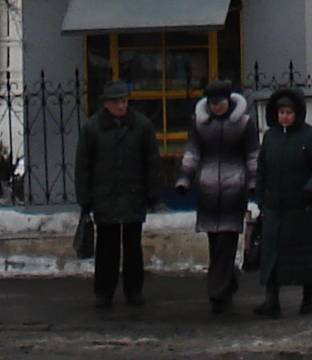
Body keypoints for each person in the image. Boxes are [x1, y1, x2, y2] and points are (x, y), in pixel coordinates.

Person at [174, 78, 260, 314]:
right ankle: (227, 283)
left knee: (227, 241)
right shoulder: (201, 125)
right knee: (215, 243)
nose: (217, 107)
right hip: (208, 189)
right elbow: (192, 154)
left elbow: (253, 155)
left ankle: (217, 293)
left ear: (229, 101)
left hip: (234, 188)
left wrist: (253, 183)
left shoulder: (243, 124)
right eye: (212, 103)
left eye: (220, 102)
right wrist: (184, 179)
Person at [74, 77, 160, 310]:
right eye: (115, 102)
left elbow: (152, 161)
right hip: (105, 196)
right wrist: (85, 199)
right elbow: (83, 166)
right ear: (106, 104)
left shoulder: (141, 126)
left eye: (123, 101)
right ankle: (104, 291)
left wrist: (152, 193)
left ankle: (134, 291)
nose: (121, 106)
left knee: (133, 248)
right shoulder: (92, 129)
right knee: (106, 248)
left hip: (133, 194)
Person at [249, 86, 312, 317]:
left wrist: (311, 190)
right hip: (275, 207)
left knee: (304, 255)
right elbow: (262, 168)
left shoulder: (311, 137)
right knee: (272, 255)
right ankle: (271, 299)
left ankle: (309, 296)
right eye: (280, 112)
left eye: (288, 112)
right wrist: (261, 196)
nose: (284, 116)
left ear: (297, 113)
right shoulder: (271, 137)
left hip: (303, 208)